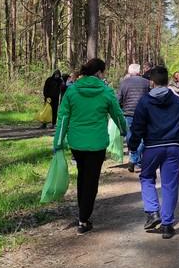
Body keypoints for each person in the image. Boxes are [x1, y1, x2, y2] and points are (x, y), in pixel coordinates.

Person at [53, 58, 127, 235]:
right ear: (99, 72)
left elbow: (63, 117)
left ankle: (82, 213)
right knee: (91, 180)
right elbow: (117, 114)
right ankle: (84, 218)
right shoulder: (106, 91)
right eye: (103, 72)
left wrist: (58, 142)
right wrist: (124, 131)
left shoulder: (72, 91)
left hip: (77, 143)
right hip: (97, 143)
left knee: (82, 176)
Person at [129, 66, 179, 239]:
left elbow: (137, 127)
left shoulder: (144, 102)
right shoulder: (178, 103)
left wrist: (133, 146)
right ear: (167, 81)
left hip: (152, 147)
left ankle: (152, 211)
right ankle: (167, 225)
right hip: (174, 147)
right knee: (170, 185)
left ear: (152, 82)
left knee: (146, 177)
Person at [117, 64, 150, 172]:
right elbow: (150, 97)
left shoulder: (123, 83)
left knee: (130, 137)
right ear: (139, 72)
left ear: (129, 71)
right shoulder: (146, 82)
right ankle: (137, 160)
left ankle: (134, 158)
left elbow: (118, 99)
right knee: (143, 138)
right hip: (143, 113)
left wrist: (120, 110)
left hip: (128, 113)